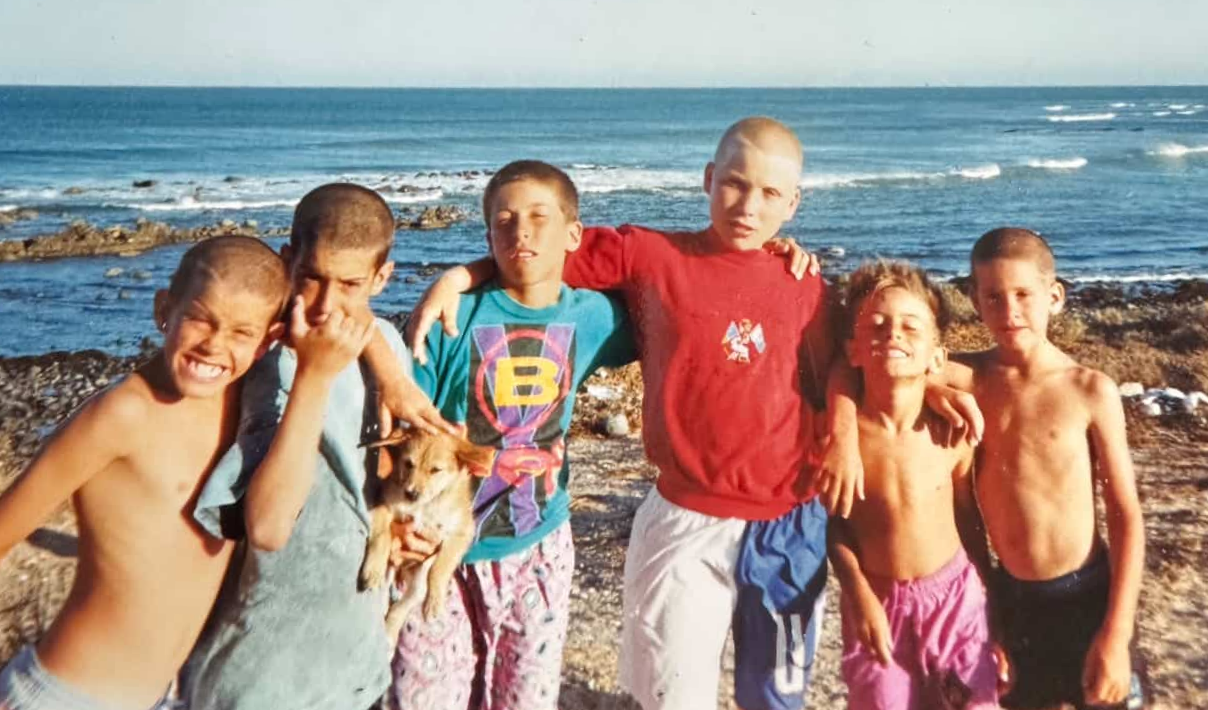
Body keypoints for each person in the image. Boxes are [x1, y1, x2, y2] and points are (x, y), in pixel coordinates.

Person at [406, 118, 856, 710]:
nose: (748, 206)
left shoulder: (805, 282)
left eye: (771, 193)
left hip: (790, 530)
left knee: (780, 692)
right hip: (683, 521)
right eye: (734, 184)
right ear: (707, 178)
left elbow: (842, 364)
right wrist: (458, 276)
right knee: (671, 695)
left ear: (794, 203)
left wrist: (845, 429)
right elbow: (538, 247)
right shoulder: (652, 256)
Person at [381, 159, 634, 710]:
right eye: (504, 220)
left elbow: (674, 284)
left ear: (574, 234)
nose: (521, 231)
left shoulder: (594, 316)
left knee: (524, 699)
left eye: (540, 218)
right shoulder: (450, 320)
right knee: (424, 696)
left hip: (537, 543)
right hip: (438, 549)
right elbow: (397, 437)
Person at [0, 236, 289, 710]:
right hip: (65, 695)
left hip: (160, 697)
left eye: (241, 332)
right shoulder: (122, 414)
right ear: (164, 310)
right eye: (199, 318)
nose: (214, 344)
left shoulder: (248, 409)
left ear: (267, 342)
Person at [181, 184, 434, 710]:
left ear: (382, 279)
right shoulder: (260, 355)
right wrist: (313, 376)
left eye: (349, 284)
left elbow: (377, 471)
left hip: (352, 657)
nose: (325, 304)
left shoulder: (385, 344)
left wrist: (401, 530)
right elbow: (269, 528)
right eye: (311, 277)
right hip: (259, 670)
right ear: (287, 260)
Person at [942, 227, 1146, 710]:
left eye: (1023, 295)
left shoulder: (1089, 390)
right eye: (993, 296)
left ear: (1054, 297)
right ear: (973, 298)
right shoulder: (968, 378)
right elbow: (893, 362)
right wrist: (987, 612)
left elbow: (1125, 516)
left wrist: (1117, 635)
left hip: (1087, 596)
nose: (1009, 311)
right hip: (1011, 599)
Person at [828, 261, 997, 710]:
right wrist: (857, 592)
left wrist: (992, 607)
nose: (893, 334)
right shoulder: (842, 443)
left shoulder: (952, 430)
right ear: (853, 350)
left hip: (956, 599)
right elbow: (833, 526)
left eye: (910, 325)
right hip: (876, 602)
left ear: (937, 358)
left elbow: (968, 515)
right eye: (877, 325)